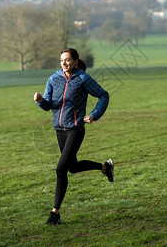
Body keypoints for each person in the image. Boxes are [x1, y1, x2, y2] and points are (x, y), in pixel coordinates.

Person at [34, 48, 114, 225]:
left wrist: (94, 115)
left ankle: (55, 214)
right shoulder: (53, 79)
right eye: (62, 59)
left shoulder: (82, 78)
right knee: (73, 167)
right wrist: (40, 101)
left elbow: (103, 95)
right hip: (59, 130)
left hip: (76, 129)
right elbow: (48, 105)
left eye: (68, 60)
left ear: (76, 62)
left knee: (60, 169)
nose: (64, 63)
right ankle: (105, 167)